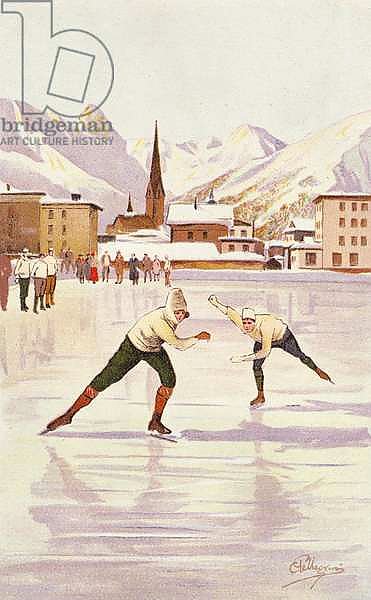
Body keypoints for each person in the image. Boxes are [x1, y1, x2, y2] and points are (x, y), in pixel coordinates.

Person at [43, 288, 211, 435]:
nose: (180, 316)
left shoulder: (170, 318)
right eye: (177, 313)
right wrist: (197, 337)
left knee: (169, 380)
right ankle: (69, 415)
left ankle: (155, 421)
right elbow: (178, 344)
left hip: (152, 348)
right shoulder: (161, 321)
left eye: (182, 312)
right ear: (169, 310)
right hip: (132, 347)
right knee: (104, 380)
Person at [208, 295, 332, 407]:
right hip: (261, 340)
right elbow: (230, 312)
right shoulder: (241, 323)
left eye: (249, 323)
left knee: (300, 355)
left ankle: (318, 370)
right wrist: (216, 303)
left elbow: (265, 352)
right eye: (244, 322)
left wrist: (242, 358)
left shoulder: (265, 327)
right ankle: (260, 396)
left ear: (254, 322)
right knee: (256, 367)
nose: (246, 326)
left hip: (282, 336)